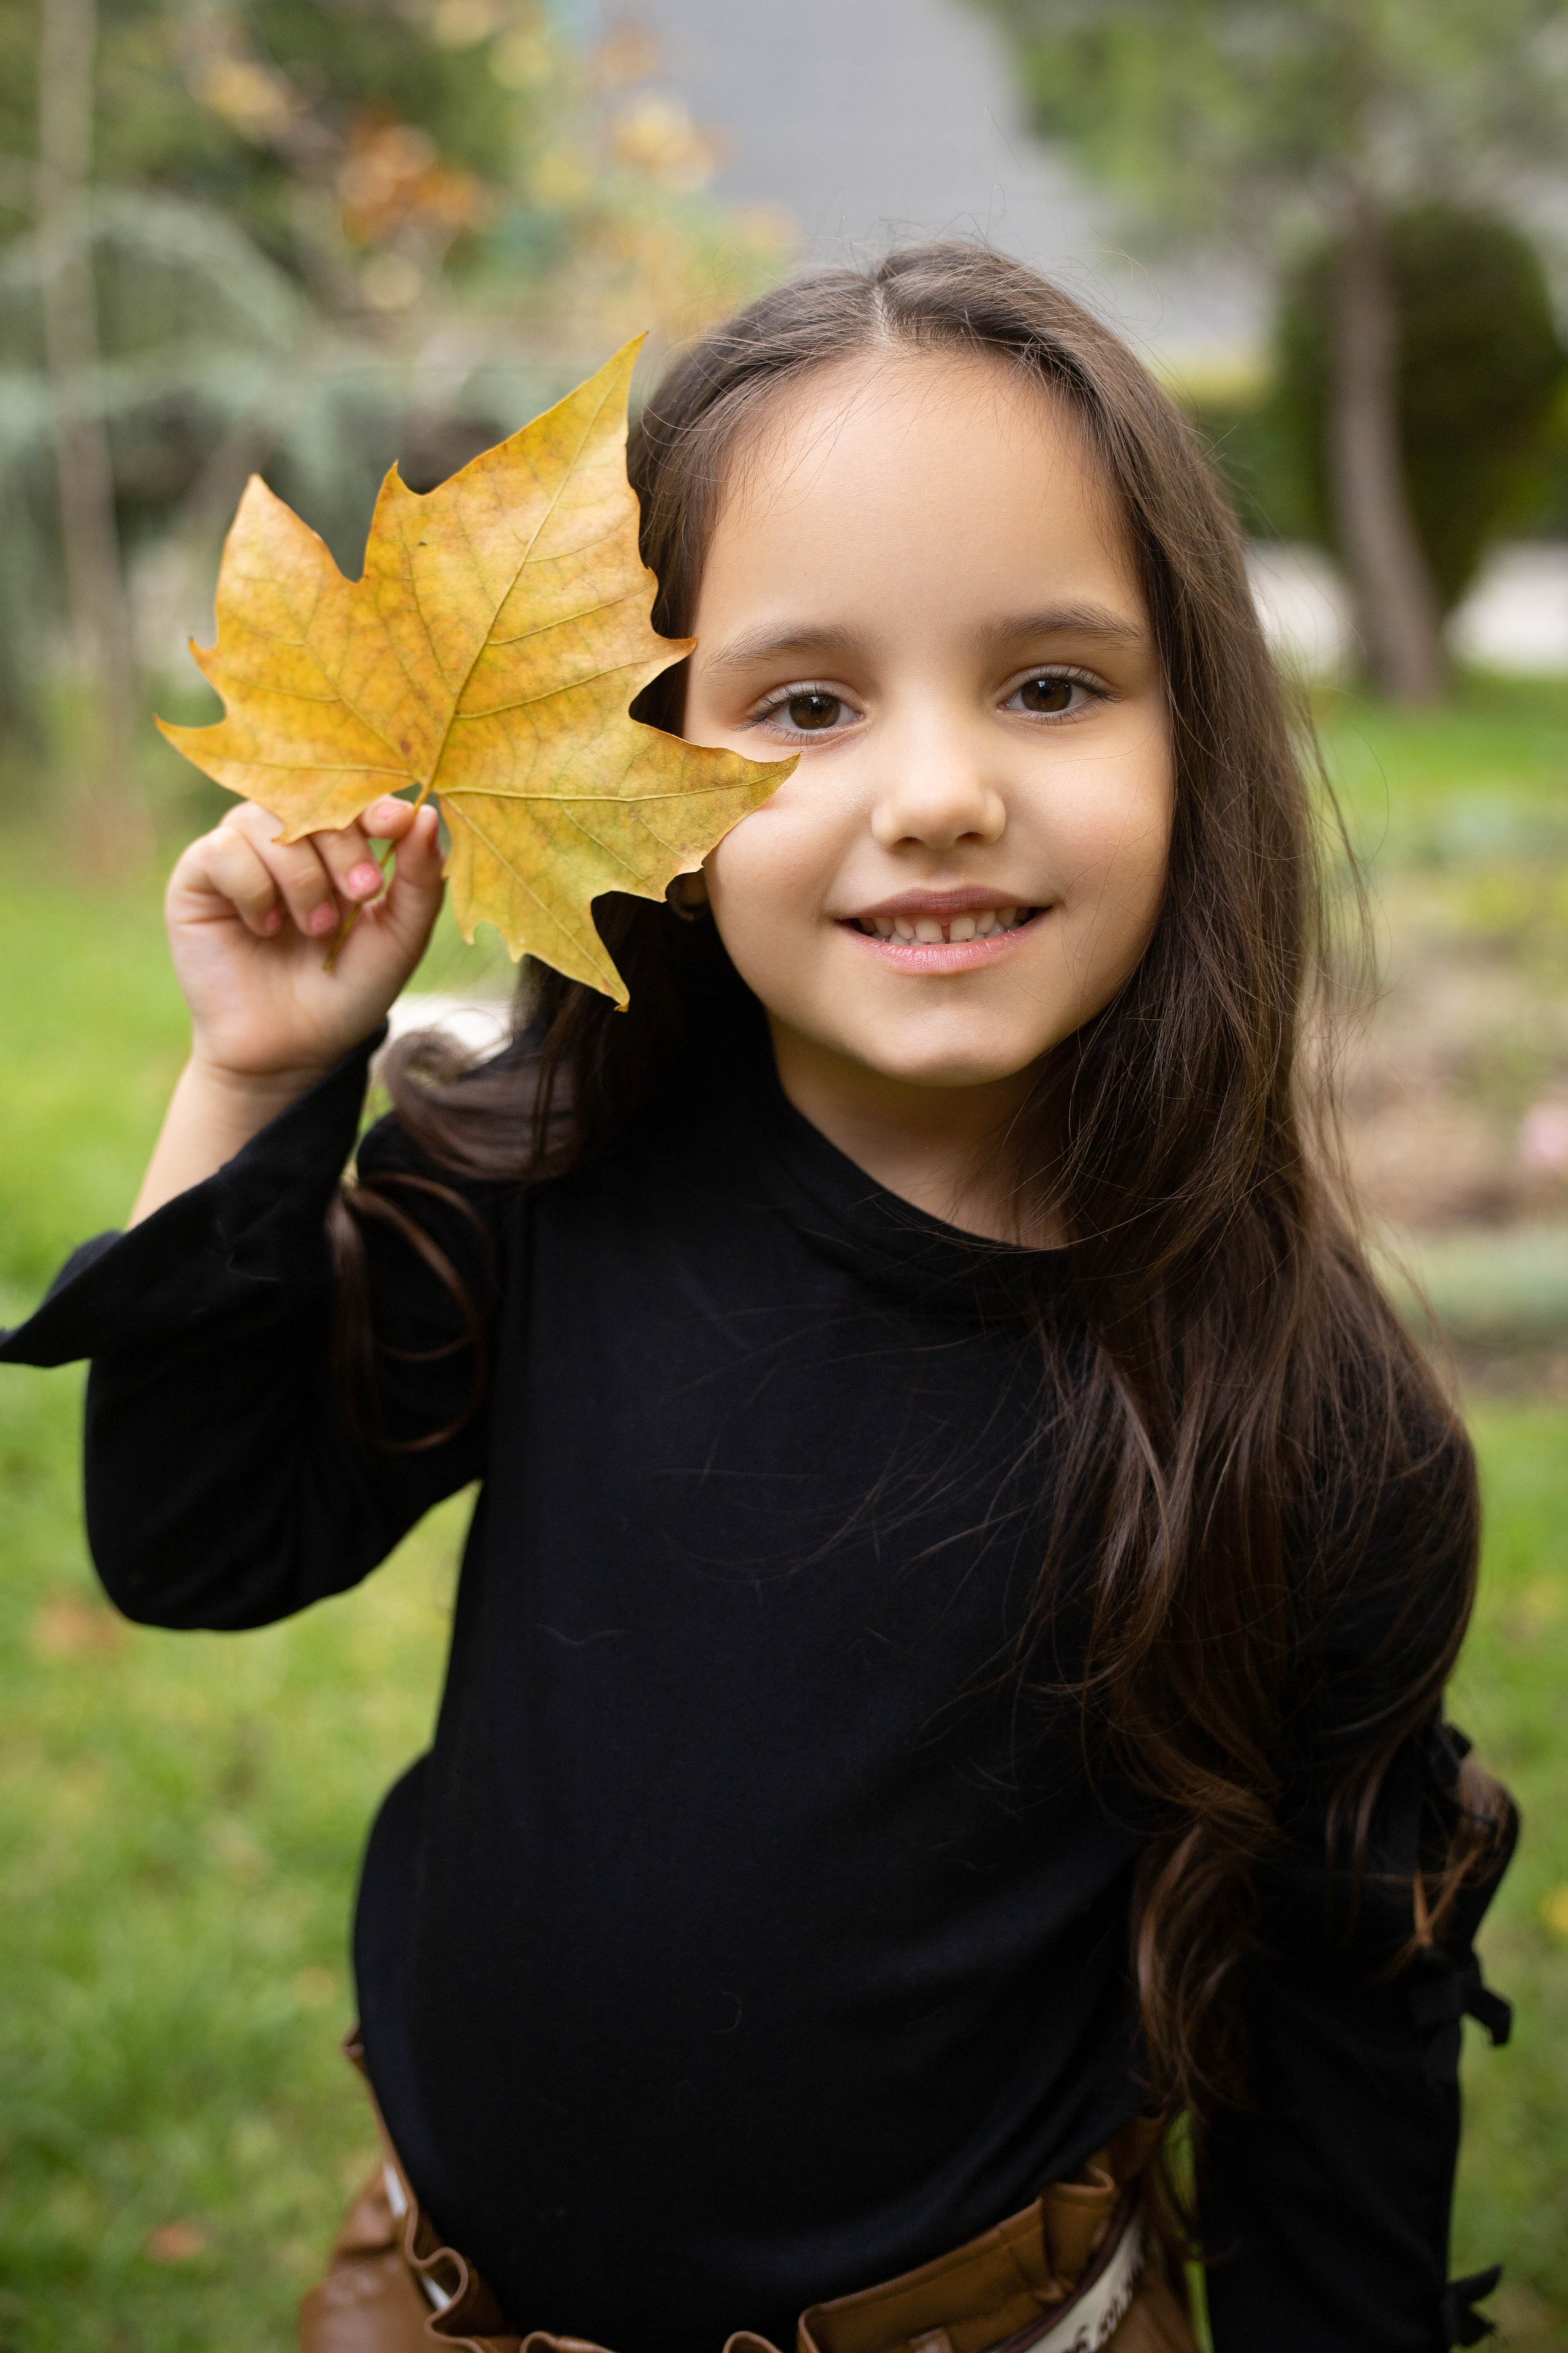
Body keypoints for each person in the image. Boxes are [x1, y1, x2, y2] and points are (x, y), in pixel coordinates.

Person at [1, 244, 1517, 2353]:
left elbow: (1345, 2037)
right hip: (442, 2308)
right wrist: (263, 1075)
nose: (935, 792)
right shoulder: (543, 1177)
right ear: (649, 770)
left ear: (1202, 726)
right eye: (805, 704)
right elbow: (196, 1541)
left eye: (1052, 683)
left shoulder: (1313, 1423)